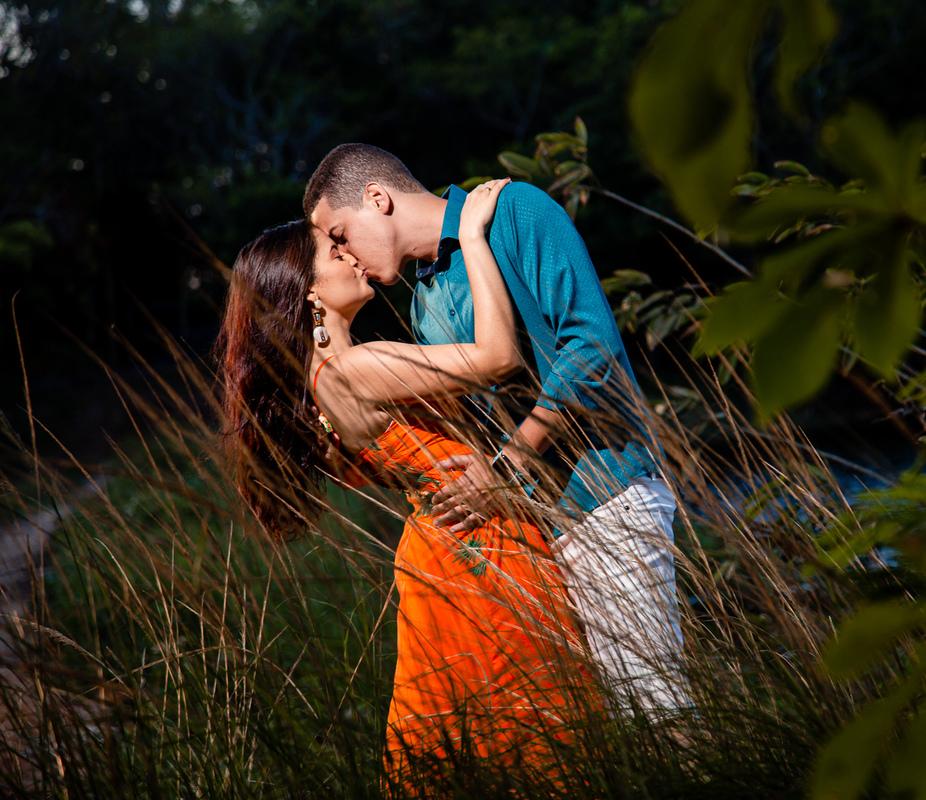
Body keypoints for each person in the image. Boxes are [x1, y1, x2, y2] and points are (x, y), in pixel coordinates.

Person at [216, 180, 592, 787]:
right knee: (534, 731)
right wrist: (471, 236)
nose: (352, 255)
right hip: (479, 555)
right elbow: (497, 358)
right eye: (334, 251)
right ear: (309, 295)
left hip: (441, 551)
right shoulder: (355, 371)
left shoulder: (321, 388)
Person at [303, 144, 690, 718]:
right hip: (533, 538)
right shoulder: (424, 301)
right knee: (608, 736)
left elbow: (593, 346)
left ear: (377, 199)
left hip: (606, 500)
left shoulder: (515, 212)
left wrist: (510, 463)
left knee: (661, 714)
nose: (342, 254)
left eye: (339, 234)